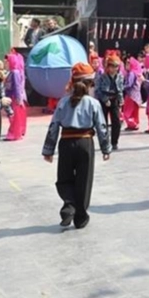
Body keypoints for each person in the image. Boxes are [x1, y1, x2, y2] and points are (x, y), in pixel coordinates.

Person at [42, 63, 112, 229]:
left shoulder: (62, 102)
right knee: (84, 180)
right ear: (90, 84)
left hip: (66, 143)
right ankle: (80, 217)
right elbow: (102, 127)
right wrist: (106, 148)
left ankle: (69, 206)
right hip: (85, 142)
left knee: (64, 178)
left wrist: (48, 150)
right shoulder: (93, 103)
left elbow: (54, 126)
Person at [95, 55, 124, 151]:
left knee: (117, 122)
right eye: (112, 66)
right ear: (108, 66)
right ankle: (105, 142)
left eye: (116, 66)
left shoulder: (120, 76)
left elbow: (120, 89)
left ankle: (114, 142)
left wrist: (121, 99)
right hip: (104, 100)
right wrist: (104, 99)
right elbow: (97, 90)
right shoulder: (101, 77)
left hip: (114, 99)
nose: (114, 68)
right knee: (104, 123)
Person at [4, 50, 29, 141]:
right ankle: (19, 131)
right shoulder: (15, 72)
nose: (5, 63)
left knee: (14, 116)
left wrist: (18, 98)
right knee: (16, 116)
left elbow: (17, 86)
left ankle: (14, 133)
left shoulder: (15, 72)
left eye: (7, 61)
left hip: (14, 97)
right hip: (13, 96)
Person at [122, 57, 144, 132]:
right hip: (136, 95)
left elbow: (129, 84)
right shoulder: (137, 73)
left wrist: (122, 87)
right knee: (134, 111)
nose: (126, 65)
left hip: (130, 95)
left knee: (127, 111)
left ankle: (132, 124)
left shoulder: (131, 73)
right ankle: (135, 123)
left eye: (128, 63)